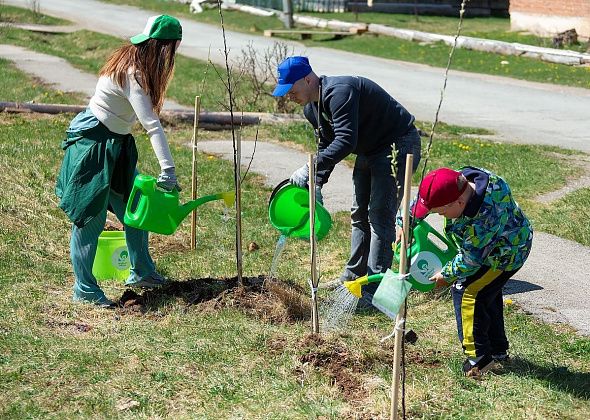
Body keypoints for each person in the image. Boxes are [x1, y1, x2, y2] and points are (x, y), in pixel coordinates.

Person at [55, 15, 183, 308]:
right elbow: (151, 124)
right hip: (95, 143)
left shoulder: (140, 64)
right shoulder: (132, 71)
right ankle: (84, 288)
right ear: (164, 47)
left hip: (118, 143)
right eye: (172, 48)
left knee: (137, 208)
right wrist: (169, 169)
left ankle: (141, 271)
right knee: (91, 217)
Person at [272, 56, 421, 302]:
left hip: (399, 143)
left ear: (308, 79)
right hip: (370, 148)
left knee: (379, 216)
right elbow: (327, 143)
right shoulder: (312, 108)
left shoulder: (340, 92)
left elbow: (345, 141)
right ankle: (352, 278)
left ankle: (374, 289)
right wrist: (316, 180)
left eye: (291, 89)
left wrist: (310, 167)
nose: (289, 96)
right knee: (358, 213)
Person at [399, 167, 533, 377]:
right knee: (487, 293)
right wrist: (404, 222)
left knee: (466, 291)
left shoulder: (486, 214)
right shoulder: (457, 181)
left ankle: (478, 360)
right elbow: (426, 197)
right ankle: (497, 350)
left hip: (504, 255)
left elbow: (471, 259)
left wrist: (446, 275)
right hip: (494, 248)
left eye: (441, 212)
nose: (441, 216)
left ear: (459, 203)